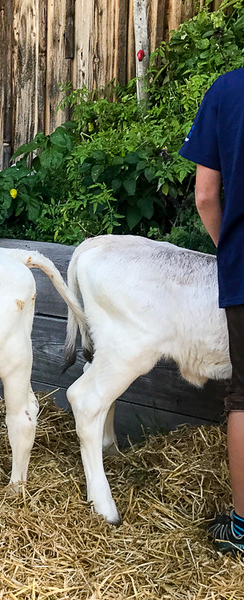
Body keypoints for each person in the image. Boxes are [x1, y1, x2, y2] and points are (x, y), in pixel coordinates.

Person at [180, 67, 244, 557]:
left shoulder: (225, 89)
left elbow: (205, 195)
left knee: (243, 398)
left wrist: (231, 250)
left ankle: (241, 529)